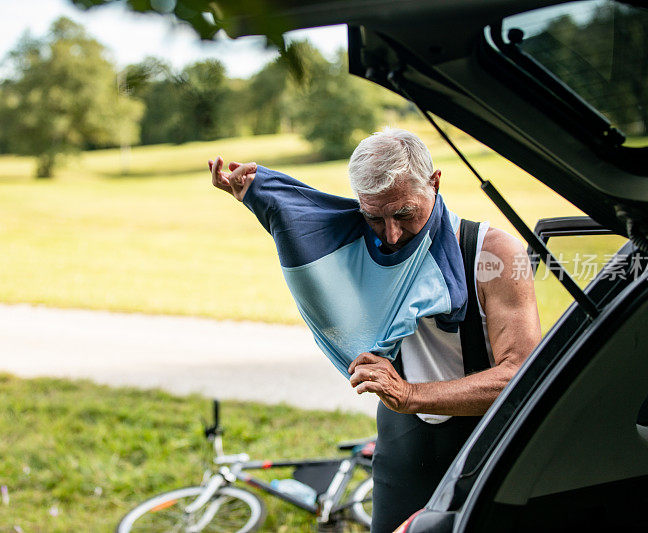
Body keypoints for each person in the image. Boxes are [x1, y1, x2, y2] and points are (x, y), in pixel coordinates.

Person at [209, 127, 541, 532]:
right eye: (373, 217)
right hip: (404, 442)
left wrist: (408, 394)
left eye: (403, 213)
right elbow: (308, 221)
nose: (392, 234)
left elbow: (521, 378)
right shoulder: (364, 241)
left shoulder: (496, 253)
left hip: (488, 444)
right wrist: (258, 193)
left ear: (434, 183)